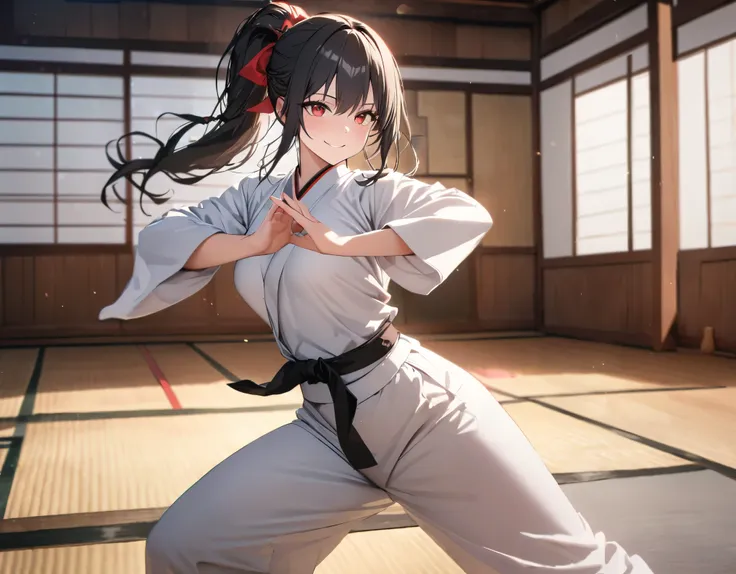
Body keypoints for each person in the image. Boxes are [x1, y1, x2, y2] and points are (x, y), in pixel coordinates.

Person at [99, 3, 654, 573]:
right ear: (286, 108)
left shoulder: (371, 190)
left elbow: (462, 215)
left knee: (569, 567)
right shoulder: (252, 200)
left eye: (362, 114)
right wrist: (253, 244)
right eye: (323, 106)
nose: (346, 128)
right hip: (327, 428)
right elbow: (168, 237)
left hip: (420, 416)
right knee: (185, 544)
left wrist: (342, 245)